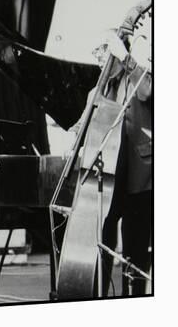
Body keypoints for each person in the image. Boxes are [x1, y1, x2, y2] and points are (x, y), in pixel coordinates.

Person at [82, 29, 152, 296]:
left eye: (102, 50)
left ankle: (133, 298)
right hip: (109, 177)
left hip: (139, 173)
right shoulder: (99, 90)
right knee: (104, 233)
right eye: (97, 53)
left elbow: (147, 92)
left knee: (135, 246)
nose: (99, 59)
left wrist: (126, 57)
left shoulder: (137, 77)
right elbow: (85, 126)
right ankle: (99, 292)